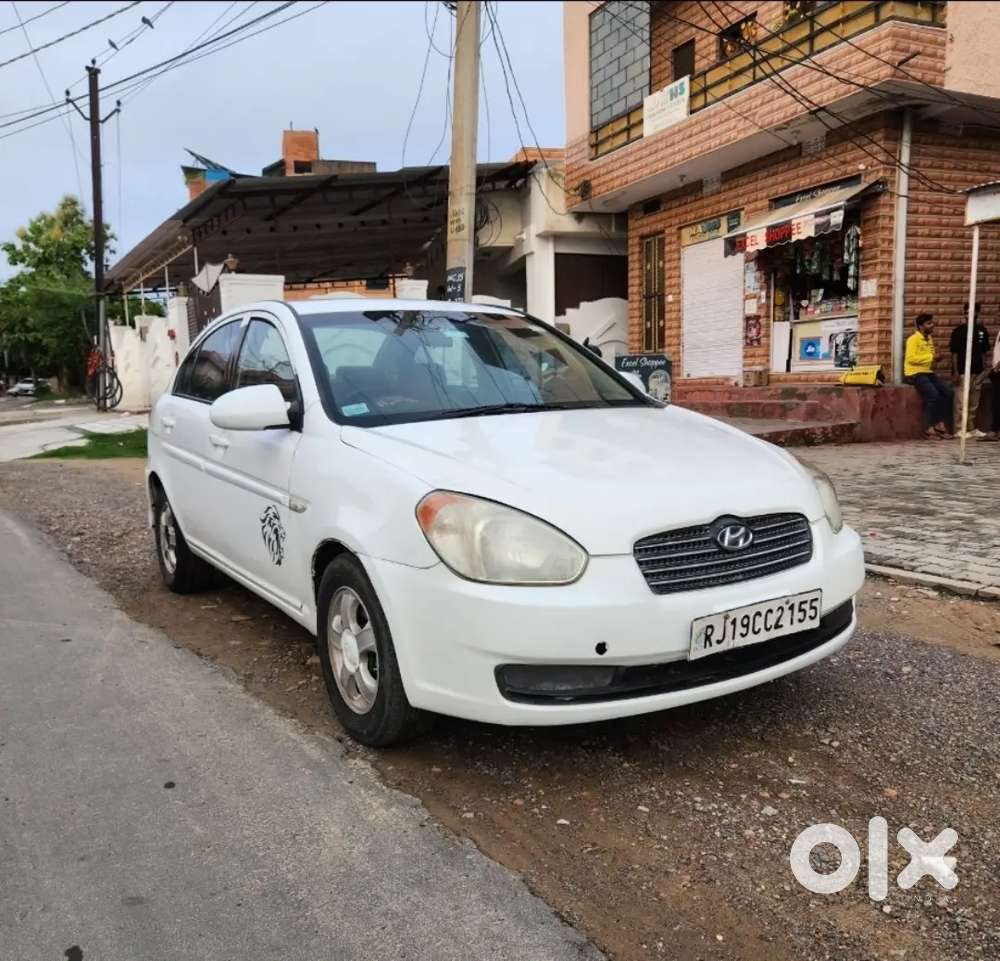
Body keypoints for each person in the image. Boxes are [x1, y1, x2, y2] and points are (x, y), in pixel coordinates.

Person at [904, 313, 954, 439]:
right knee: (933, 395)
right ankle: (928, 428)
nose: (932, 325)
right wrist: (931, 357)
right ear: (921, 326)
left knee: (948, 392)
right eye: (929, 323)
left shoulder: (929, 338)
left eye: (932, 323)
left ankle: (938, 424)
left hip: (927, 372)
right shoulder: (912, 340)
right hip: (914, 373)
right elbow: (911, 359)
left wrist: (937, 358)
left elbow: (930, 357)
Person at [949, 302, 992, 439]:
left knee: (974, 402)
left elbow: (984, 351)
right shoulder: (959, 331)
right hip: (962, 371)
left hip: (977, 372)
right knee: (961, 402)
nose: (969, 314)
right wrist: (956, 372)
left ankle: (971, 428)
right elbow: (954, 353)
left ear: (978, 313)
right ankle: (958, 429)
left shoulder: (982, 330)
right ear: (964, 313)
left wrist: (984, 369)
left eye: (973, 312)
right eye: (967, 312)